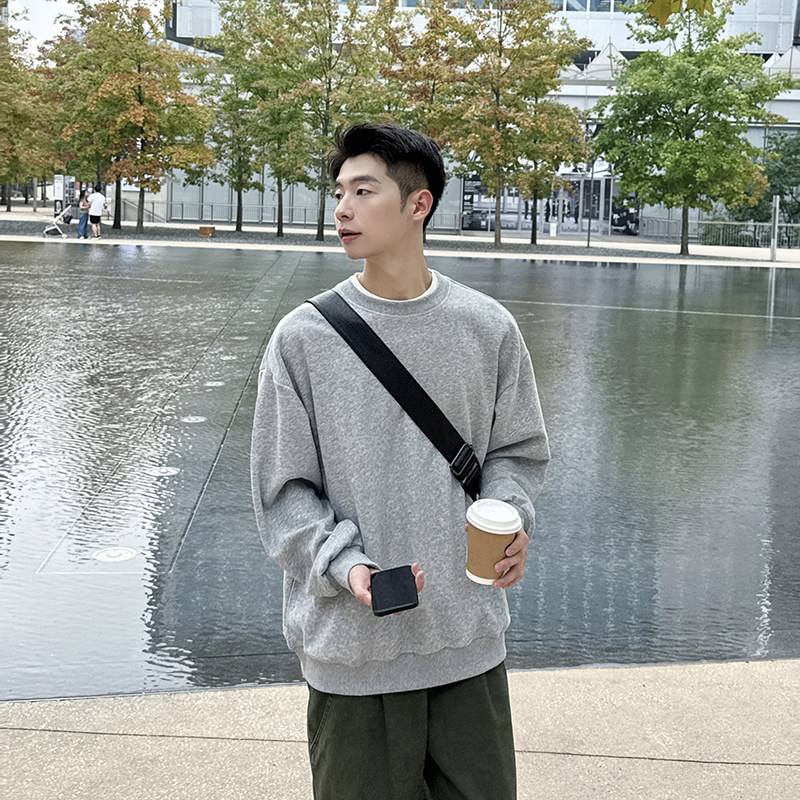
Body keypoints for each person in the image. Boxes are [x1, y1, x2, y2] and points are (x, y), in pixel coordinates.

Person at [251, 123, 550, 800]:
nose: (342, 209)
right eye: (338, 192)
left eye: (364, 191)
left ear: (420, 204)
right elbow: (282, 493)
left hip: (468, 646)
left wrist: (513, 519)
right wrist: (346, 566)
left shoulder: (488, 328)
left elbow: (517, 452)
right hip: (353, 655)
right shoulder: (302, 340)